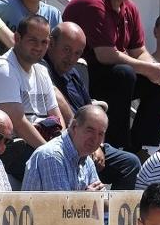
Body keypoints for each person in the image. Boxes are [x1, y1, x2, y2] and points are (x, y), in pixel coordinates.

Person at [61, 0, 160, 153]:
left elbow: (139, 51)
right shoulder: (94, 3)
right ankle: (118, 144)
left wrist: (156, 69)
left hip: (111, 73)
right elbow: (105, 55)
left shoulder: (130, 8)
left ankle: (141, 146)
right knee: (124, 74)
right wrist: (147, 68)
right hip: (81, 76)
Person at [42, 21, 140, 190]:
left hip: (91, 140)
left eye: (77, 53)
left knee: (130, 163)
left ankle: (113, 215)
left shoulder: (73, 73)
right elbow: (56, 98)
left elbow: (92, 110)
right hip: (64, 141)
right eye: (66, 50)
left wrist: (99, 144)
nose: (71, 58)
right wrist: (88, 142)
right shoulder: (41, 67)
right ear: (51, 43)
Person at [0, 15, 68, 182]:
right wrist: (51, 153)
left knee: (125, 162)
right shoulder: (4, 69)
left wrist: (67, 149)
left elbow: (57, 117)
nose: (39, 47)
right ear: (17, 38)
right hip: (5, 147)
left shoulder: (42, 71)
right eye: (33, 40)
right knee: (55, 168)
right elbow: (19, 123)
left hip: (35, 143)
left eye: (44, 42)